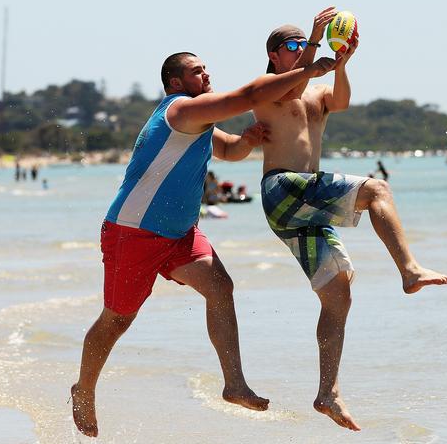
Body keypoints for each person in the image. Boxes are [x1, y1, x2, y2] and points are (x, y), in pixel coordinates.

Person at [71, 51, 338, 437]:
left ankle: (234, 384)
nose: (206, 73)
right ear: (176, 83)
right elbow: (246, 95)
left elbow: (229, 150)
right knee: (117, 320)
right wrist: (308, 70)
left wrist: (247, 140)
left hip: (180, 234)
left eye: (205, 68)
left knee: (220, 287)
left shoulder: (199, 122)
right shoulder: (180, 111)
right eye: (197, 71)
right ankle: (84, 388)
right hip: (135, 233)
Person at [253, 7, 447, 432]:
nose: (299, 51)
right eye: (291, 46)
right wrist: (313, 38)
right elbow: (292, 89)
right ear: (274, 55)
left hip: (303, 206)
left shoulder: (316, 90)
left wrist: (342, 63)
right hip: (283, 187)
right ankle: (410, 269)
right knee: (377, 189)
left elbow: (340, 101)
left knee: (338, 295)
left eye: (301, 46)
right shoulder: (270, 89)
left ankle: (327, 392)